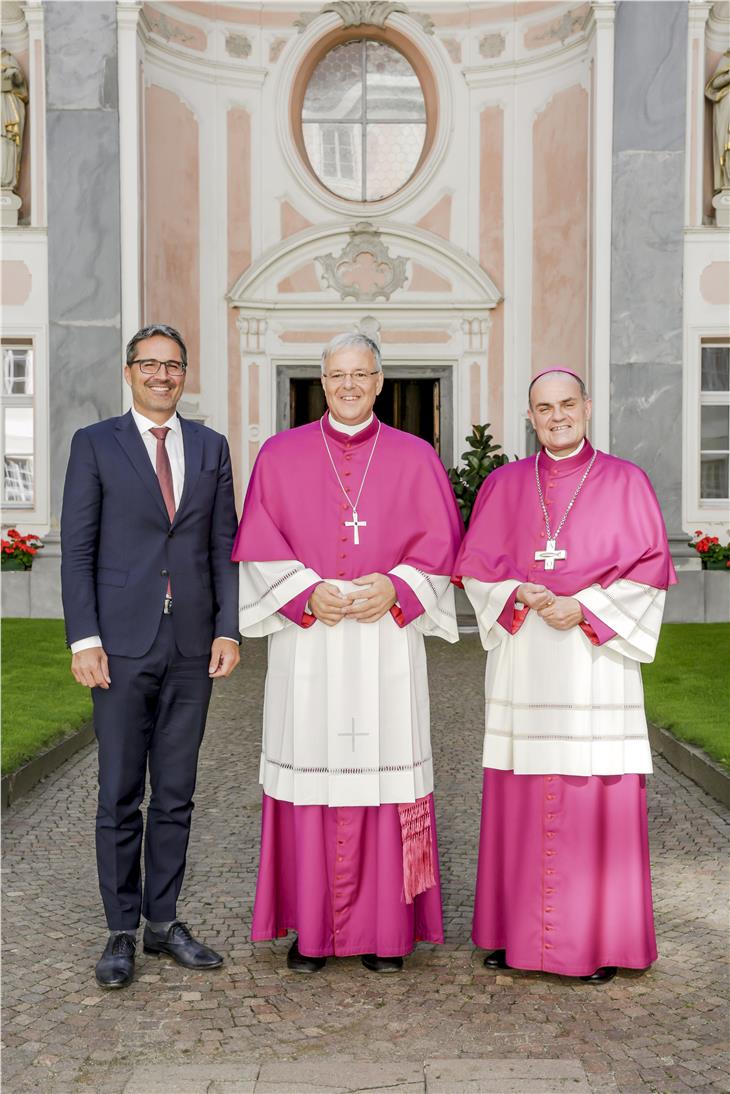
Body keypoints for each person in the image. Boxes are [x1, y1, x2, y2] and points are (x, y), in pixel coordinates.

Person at [232, 332, 462, 973]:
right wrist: (305, 593)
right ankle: (312, 931)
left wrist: (395, 585)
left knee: (387, 769)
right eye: (338, 375)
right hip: (310, 648)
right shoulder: (280, 456)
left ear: (380, 380)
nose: (350, 385)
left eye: (362, 374)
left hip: (386, 643)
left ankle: (388, 932)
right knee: (310, 769)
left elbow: (442, 550)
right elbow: (258, 546)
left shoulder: (416, 458)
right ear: (323, 380)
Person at [455, 368, 676, 984]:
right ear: (530, 417)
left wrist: (585, 607)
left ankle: (596, 939)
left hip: (592, 664)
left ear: (587, 406)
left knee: (590, 793)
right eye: (544, 408)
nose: (556, 416)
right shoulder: (503, 485)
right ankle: (515, 933)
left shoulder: (627, 482)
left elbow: (650, 573)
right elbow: (473, 571)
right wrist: (516, 592)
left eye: (566, 404)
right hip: (526, 660)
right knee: (521, 794)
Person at [61, 323, 240, 989]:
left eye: (173, 366)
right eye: (150, 365)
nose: (162, 375)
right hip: (119, 644)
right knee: (118, 791)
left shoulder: (210, 447)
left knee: (176, 791)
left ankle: (164, 922)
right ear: (130, 371)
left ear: (184, 374)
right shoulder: (95, 445)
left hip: (192, 644)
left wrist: (229, 630)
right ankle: (120, 930)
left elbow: (224, 544)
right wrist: (84, 638)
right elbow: (77, 548)